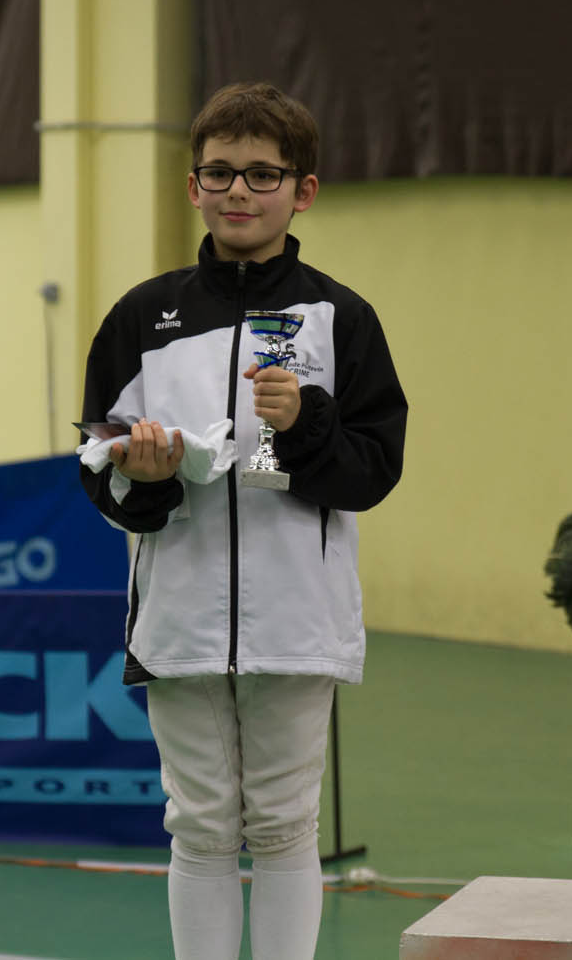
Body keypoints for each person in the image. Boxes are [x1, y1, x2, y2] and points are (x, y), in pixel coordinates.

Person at [77, 82, 407, 960]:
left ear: (304, 191)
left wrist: (307, 423)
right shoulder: (141, 317)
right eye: (220, 172)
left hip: (297, 617)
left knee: (287, 822)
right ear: (193, 186)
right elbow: (96, 464)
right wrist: (142, 477)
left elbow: (374, 471)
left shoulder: (342, 318)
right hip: (181, 616)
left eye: (263, 174)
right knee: (200, 823)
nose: (239, 191)